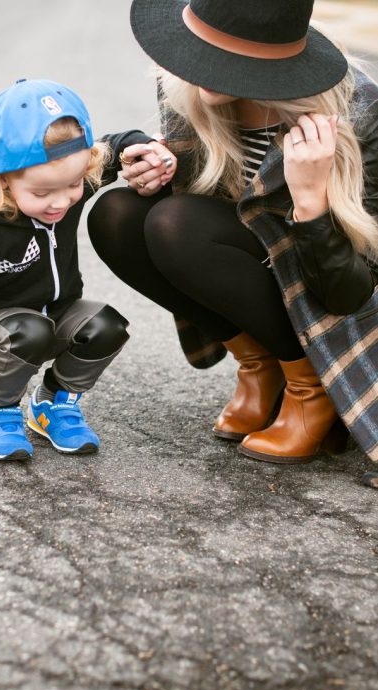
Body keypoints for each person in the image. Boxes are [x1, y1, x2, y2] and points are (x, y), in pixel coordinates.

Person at [87, 0, 378, 477]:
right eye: (197, 50)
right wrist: (152, 157)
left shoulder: (359, 114)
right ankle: (260, 367)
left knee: (175, 222)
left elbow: (354, 292)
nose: (200, 70)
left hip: (329, 290)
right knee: (116, 214)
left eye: (225, 61)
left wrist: (311, 203)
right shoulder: (187, 83)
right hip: (254, 264)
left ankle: (312, 389)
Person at [0, 78, 169, 462]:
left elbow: (115, 144)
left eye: (73, 185)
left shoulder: (66, 181)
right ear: (2, 179)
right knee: (30, 331)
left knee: (107, 325)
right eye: (41, 193)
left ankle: (52, 404)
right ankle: (0, 413)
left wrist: (145, 147)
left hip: (50, 316)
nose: (60, 203)